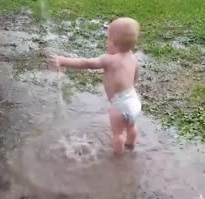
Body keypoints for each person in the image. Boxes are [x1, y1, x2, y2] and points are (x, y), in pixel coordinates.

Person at [50, 17, 142, 155]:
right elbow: (135, 76)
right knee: (131, 127)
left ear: (113, 42)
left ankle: (119, 159)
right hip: (134, 102)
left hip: (120, 105)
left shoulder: (109, 60)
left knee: (118, 135)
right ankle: (130, 145)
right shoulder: (132, 57)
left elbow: (86, 63)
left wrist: (63, 61)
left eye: (108, 39)